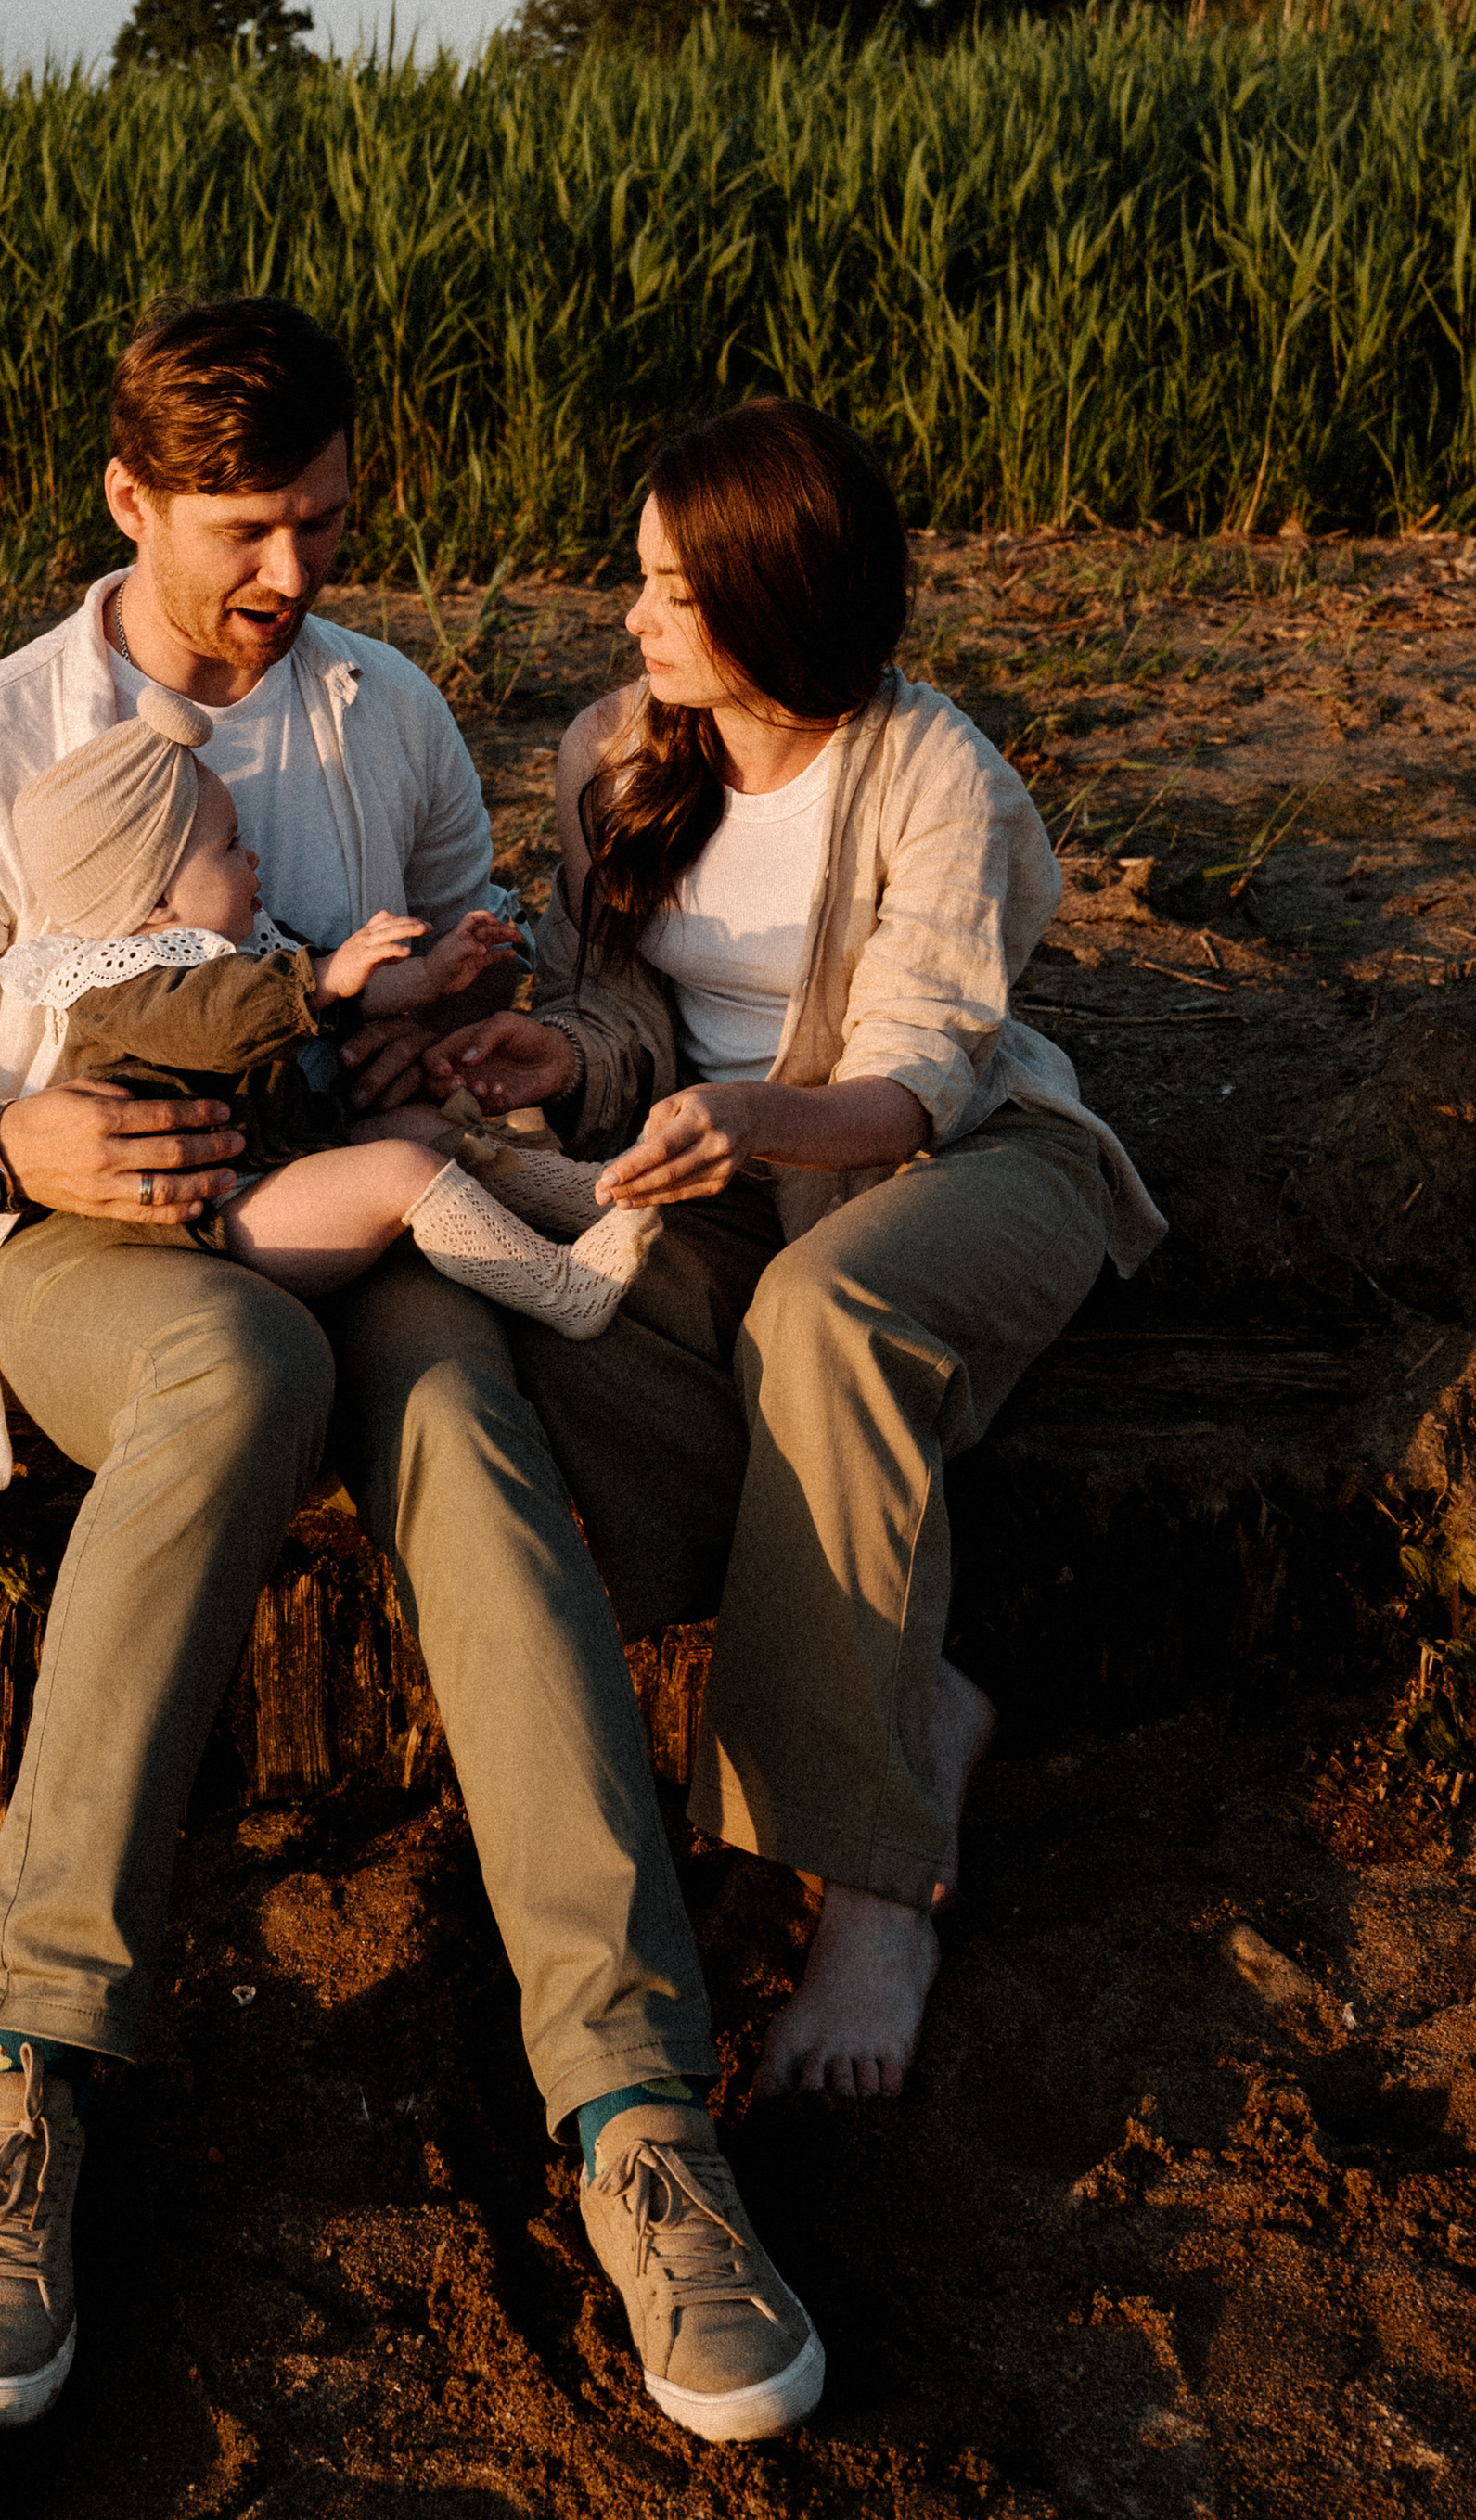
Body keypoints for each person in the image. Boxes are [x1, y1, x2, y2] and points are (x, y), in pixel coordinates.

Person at [0, 296, 826, 2448]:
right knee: (235, 1378)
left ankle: (636, 2112)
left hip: (373, 1197)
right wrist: (7, 1138)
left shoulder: (387, 710)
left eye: (325, 521)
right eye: (246, 528)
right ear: (129, 500)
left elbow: (485, 933)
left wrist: (470, 1015)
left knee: (461, 1415)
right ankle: (20, 2074)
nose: (292, 574)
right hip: (101, 1243)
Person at [425, 397, 1166, 2099]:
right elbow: (618, 1007)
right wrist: (567, 1057)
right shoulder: (619, 750)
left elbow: (920, 1076)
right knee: (542, 1311)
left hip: (981, 1160)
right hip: (740, 1167)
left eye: (673, 589)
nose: (635, 619)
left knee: (825, 1316)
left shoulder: (934, 773)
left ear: (775, 597)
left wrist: (753, 1119)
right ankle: (908, 1701)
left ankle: (875, 1879)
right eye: (641, 582)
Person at [0, 680, 660, 1335]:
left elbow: (343, 996)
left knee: (421, 1128)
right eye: (229, 846)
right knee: (401, 1173)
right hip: (221, 1216)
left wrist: (429, 973)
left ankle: (590, 1196)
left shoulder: (238, 949)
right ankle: (564, 1288)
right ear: (157, 900)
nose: (251, 855)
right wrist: (328, 973)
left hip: (287, 1161)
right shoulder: (122, 985)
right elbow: (223, 1022)